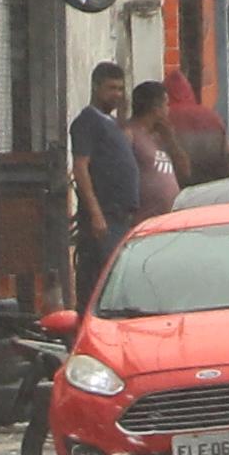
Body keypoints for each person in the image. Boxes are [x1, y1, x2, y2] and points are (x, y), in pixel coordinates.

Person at [70, 59, 139, 308]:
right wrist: (96, 213)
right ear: (96, 87)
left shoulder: (113, 124)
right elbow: (80, 167)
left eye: (121, 89)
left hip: (120, 218)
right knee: (99, 285)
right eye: (111, 88)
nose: (117, 95)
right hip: (103, 220)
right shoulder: (87, 122)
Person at [127, 78, 182, 220]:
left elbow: (185, 170)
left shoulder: (161, 135)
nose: (168, 110)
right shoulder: (130, 133)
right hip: (145, 217)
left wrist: (171, 141)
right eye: (166, 104)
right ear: (156, 109)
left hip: (168, 216)